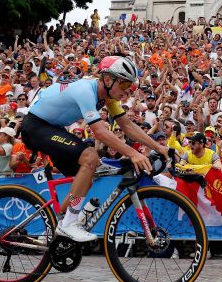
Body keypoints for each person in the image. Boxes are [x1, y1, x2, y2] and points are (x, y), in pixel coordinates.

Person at [20, 55, 168, 242]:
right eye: (123, 85)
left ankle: (61, 220)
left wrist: (158, 148)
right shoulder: (85, 90)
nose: (127, 92)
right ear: (107, 79)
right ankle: (68, 225)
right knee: (90, 157)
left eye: (129, 87)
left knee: (91, 169)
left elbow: (127, 126)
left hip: (52, 127)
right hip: (36, 126)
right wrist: (132, 154)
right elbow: (99, 132)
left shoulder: (107, 97)